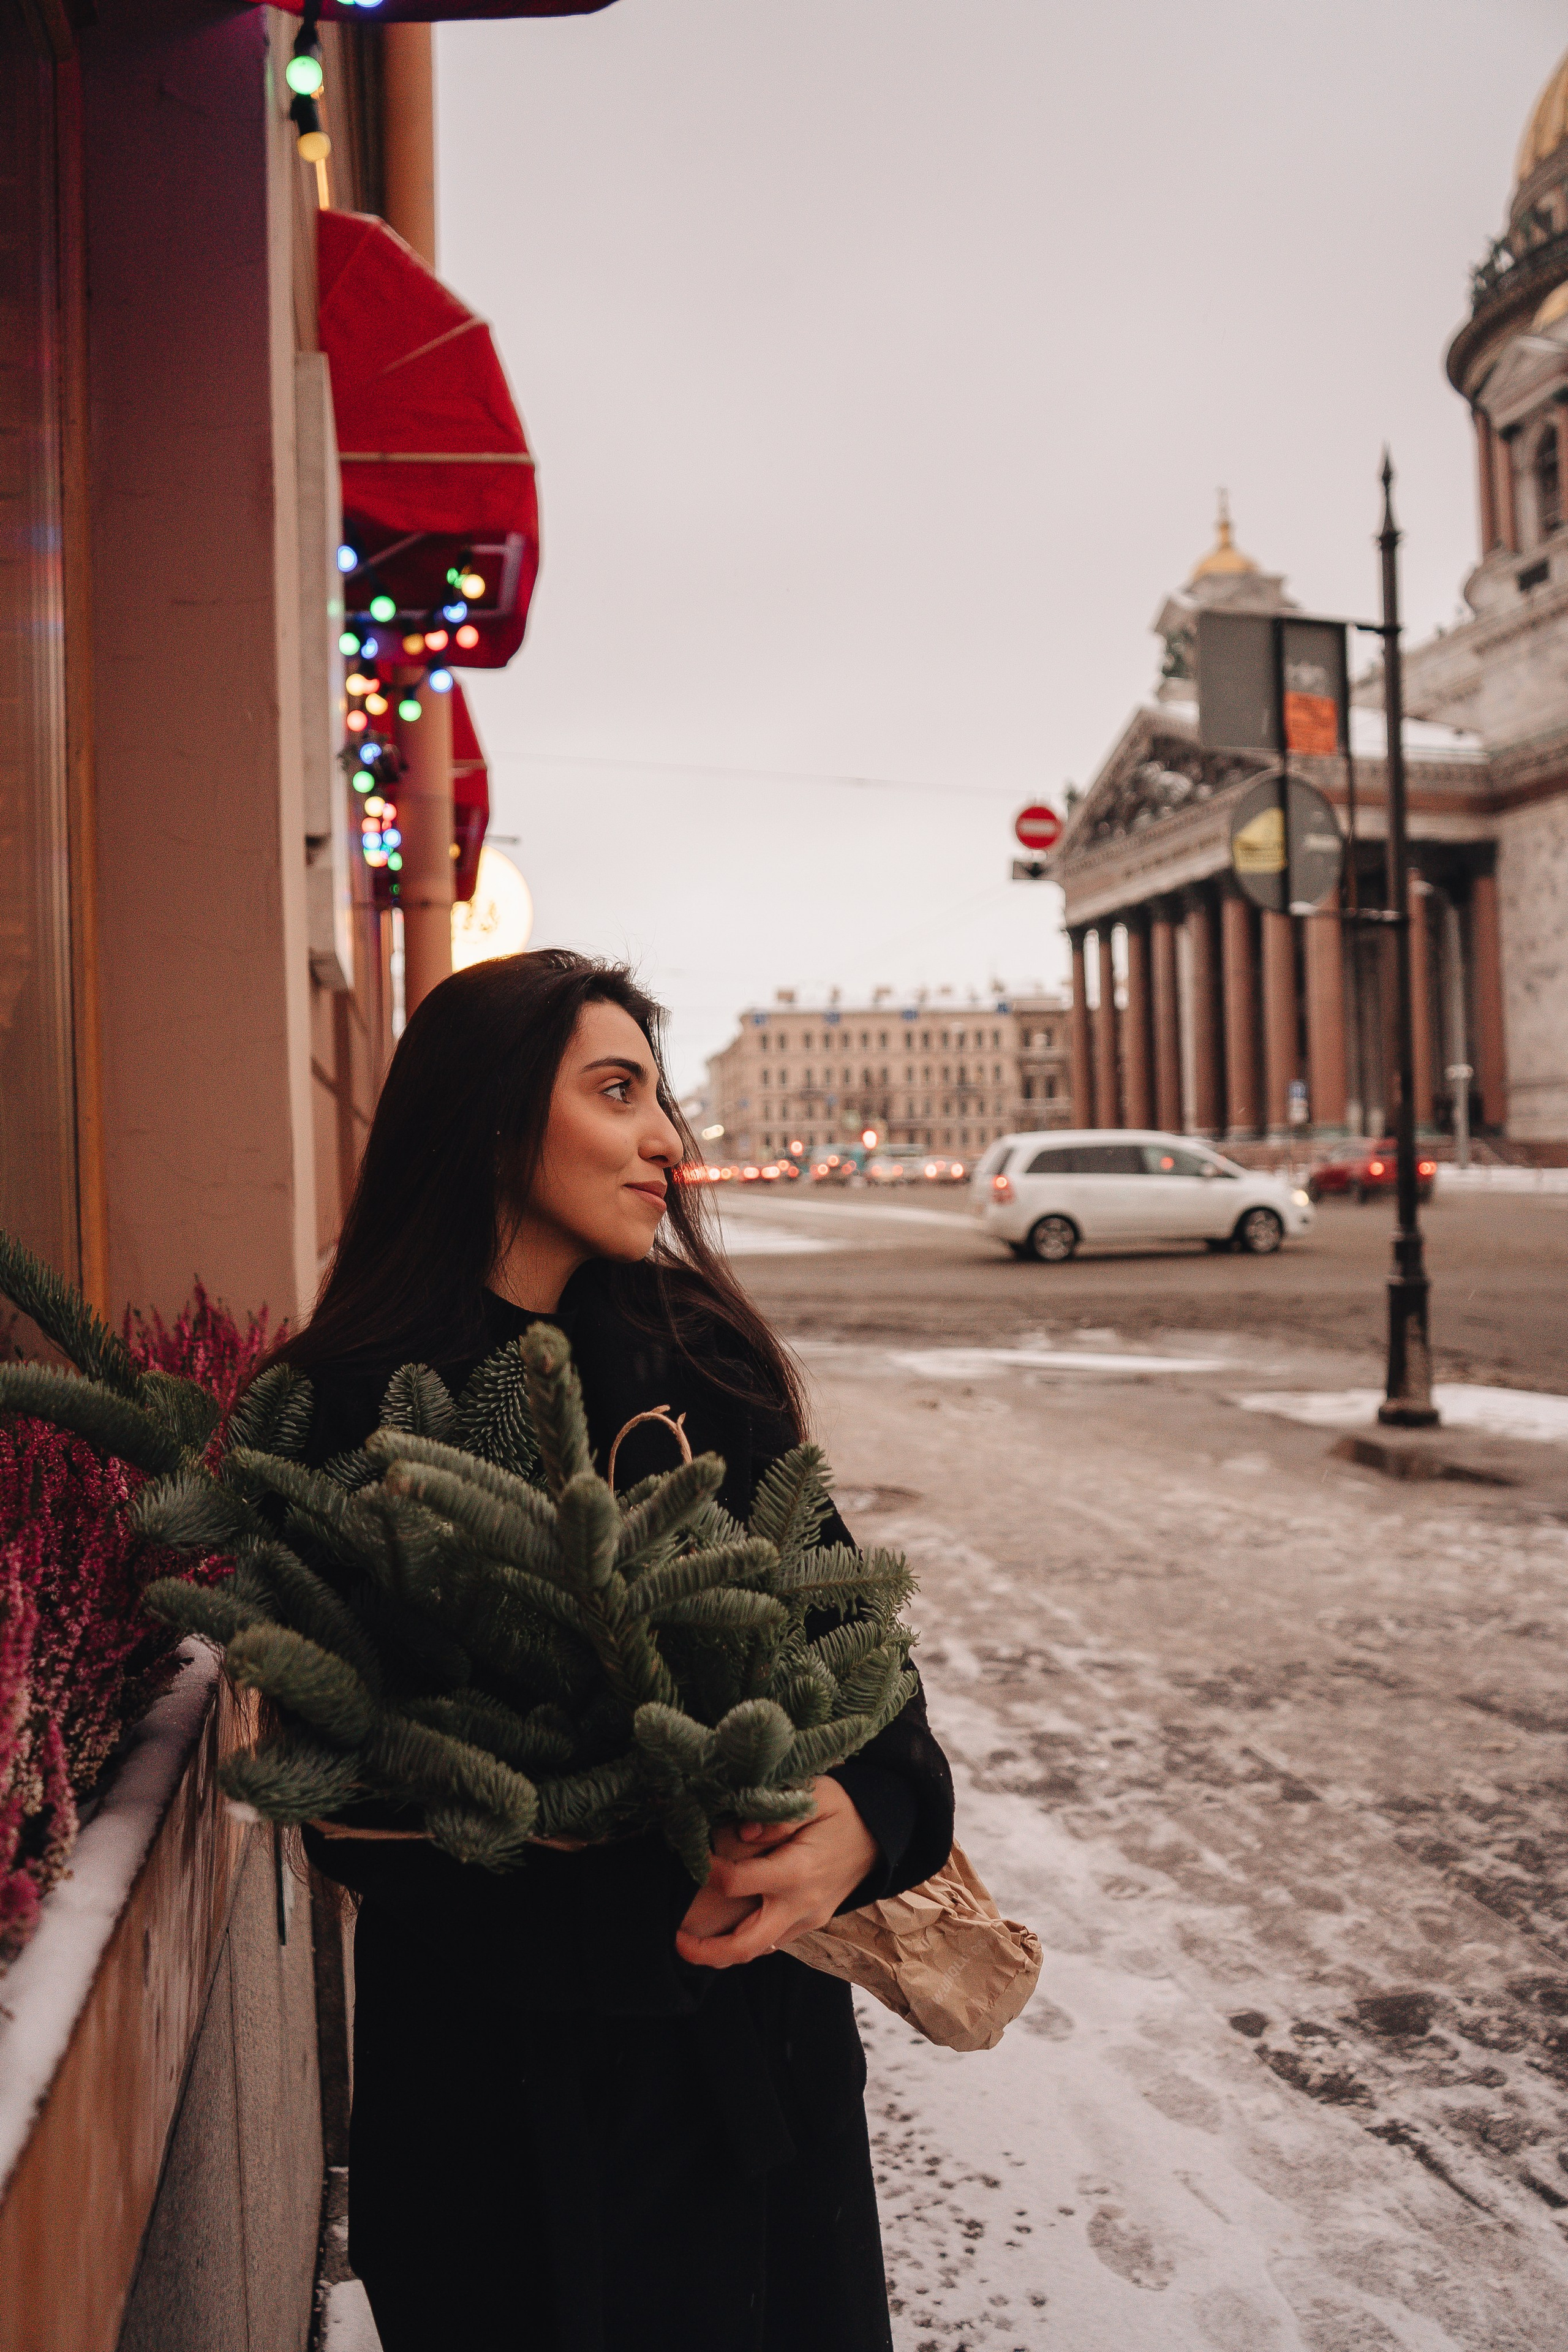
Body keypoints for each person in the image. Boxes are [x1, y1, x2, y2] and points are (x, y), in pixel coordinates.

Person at [285, 949, 954, 2352]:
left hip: (753, 2104)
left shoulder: (689, 1355)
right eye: (615, 1089)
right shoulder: (339, 1405)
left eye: (658, 1094)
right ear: (486, 1116)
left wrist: (862, 1823)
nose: (666, 1137)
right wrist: (620, 1902)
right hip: (496, 2121)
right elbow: (338, 1787)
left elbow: (865, 1659)